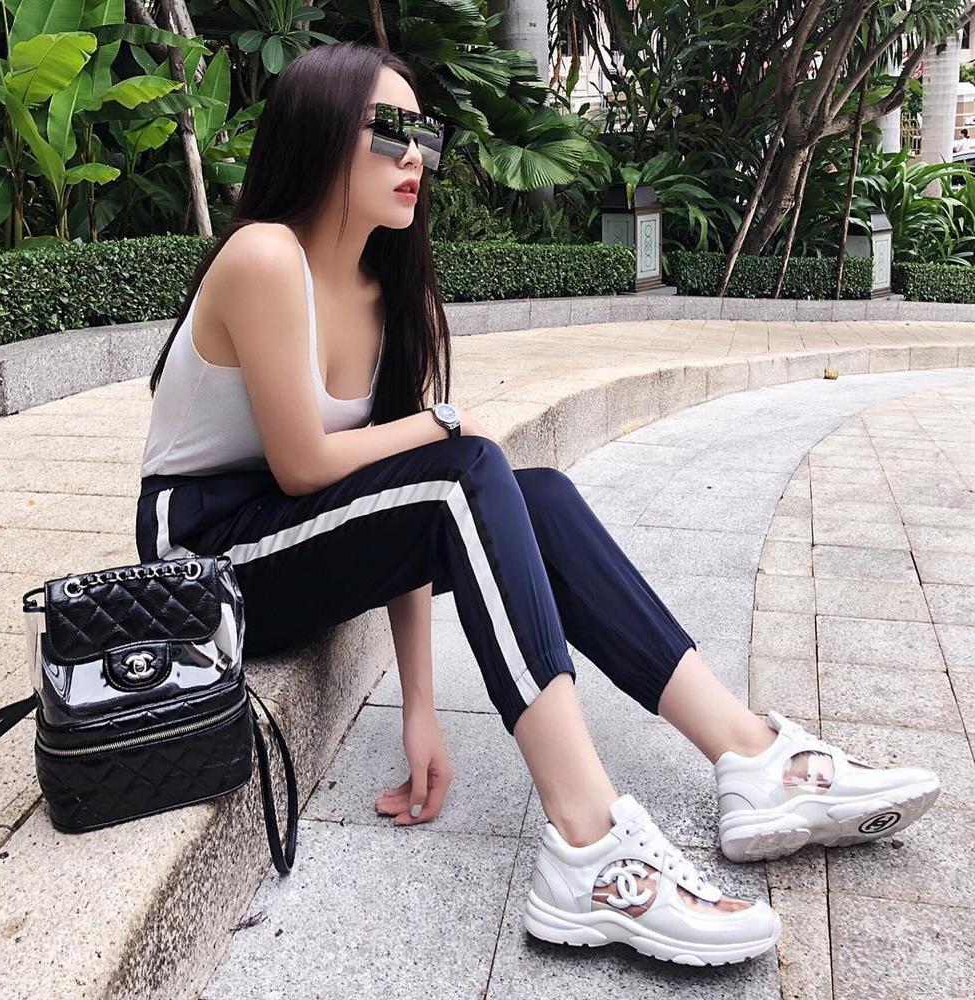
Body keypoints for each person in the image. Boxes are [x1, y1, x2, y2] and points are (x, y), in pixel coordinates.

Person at [134, 41, 940, 968]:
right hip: (204, 561)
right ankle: (590, 842)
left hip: (298, 536)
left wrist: (420, 706)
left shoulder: (387, 289)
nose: (414, 157)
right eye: (390, 131)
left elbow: (403, 509)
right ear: (317, 133)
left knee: (540, 496)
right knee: (466, 466)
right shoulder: (265, 256)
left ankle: (749, 755)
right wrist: (443, 426)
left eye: (425, 136)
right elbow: (308, 464)